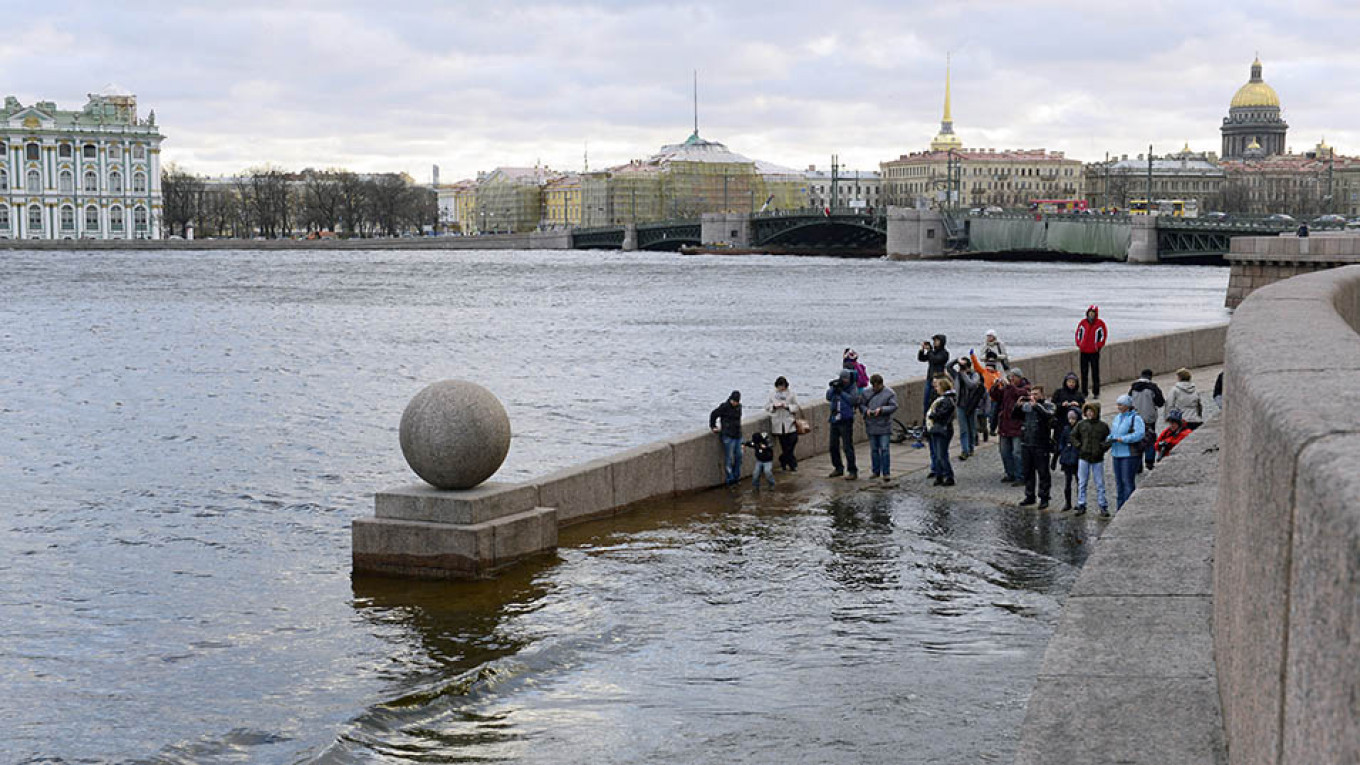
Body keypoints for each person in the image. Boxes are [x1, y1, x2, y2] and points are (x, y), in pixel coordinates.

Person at [1015, 384, 1055, 508]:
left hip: (1041, 444)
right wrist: (1017, 406)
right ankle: (1029, 495)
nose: (1033, 397)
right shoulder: (1027, 406)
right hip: (1027, 442)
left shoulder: (1048, 405)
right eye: (1031, 394)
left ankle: (1044, 497)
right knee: (1028, 472)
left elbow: (1049, 416)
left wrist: (1036, 406)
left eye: (1036, 394)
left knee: (1043, 472)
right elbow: (1015, 417)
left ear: (1042, 395)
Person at [1106, 394, 1147, 511]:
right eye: (1118, 404)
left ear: (1127, 406)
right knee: (1119, 484)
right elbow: (1114, 432)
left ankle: (1129, 508)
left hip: (1129, 454)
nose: (1118, 407)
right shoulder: (1117, 417)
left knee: (1127, 482)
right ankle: (1120, 508)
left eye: (1120, 405)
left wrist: (1123, 439)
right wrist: (1110, 438)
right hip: (1116, 453)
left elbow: (1139, 434)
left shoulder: (1136, 418)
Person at [1071, 402, 1111, 517]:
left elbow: (1108, 440)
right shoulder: (1081, 424)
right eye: (1088, 411)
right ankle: (1081, 504)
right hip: (1084, 457)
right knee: (1082, 482)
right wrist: (1079, 446)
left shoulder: (1102, 426)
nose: (1089, 413)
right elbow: (1073, 436)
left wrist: (1102, 448)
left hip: (1097, 458)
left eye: (1092, 411)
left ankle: (1102, 505)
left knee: (1099, 483)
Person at [990, 367, 1030, 484]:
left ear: (1019, 377)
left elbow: (1018, 394)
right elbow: (996, 396)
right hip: (1004, 425)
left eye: (1014, 377)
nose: (1011, 379)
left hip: (1017, 425)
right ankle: (1010, 473)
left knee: (1017, 452)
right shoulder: (1007, 388)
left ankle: (1020, 475)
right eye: (1010, 377)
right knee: (1004, 451)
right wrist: (996, 386)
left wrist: (1009, 385)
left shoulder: (1025, 388)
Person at [826, 369, 862, 480]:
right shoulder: (837, 385)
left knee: (847, 446)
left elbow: (853, 401)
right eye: (843, 378)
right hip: (834, 419)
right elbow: (828, 397)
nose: (844, 381)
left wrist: (841, 392)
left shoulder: (853, 388)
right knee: (833, 446)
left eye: (846, 378)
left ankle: (852, 470)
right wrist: (833, 387)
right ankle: (838, 468)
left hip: (846, 420)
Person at [1128, 369, 1166, 471]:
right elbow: (1160, 402)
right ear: (1150, 377)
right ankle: (1149, 461)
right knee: (1150, 439)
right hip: (1149, 418)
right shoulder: (1153, 388)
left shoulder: (1133, 388)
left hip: (1135, 418)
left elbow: (1128, 401)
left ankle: (1138, 464)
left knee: (1137, 439)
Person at [864, 373, 898, 480]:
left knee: (884, 449)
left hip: (884, 425)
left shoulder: (890, 393)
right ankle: (876, 471)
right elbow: (861, 405)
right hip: (871, 424)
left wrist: (882, 410)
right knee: (874, 449)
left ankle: (886, 472)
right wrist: (866, 411)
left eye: (877, 386)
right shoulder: (866, 393)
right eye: (873, 386)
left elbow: (894, 406)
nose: (875, 388)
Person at [765, 376, 802, 471]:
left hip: (789, 421)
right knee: (784, 445)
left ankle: (783, 459)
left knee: (793, 440)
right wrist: (774, 406)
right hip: (778, 422)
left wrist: (787, 407)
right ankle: (791, 464)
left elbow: (796, 406)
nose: (781, 388)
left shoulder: (791, 394)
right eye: (779, 386)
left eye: (783, 386)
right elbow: (767, 407)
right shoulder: (772, 394)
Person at [925, 376, 957, 486]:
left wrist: (933, 415)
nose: (936, 388)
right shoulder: (945, 399)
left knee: (941, 455)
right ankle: (940, 476)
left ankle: (948, 476)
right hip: (939, 429)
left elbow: (940, 414)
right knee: (939, 455)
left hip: (943, 429)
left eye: (938, 386)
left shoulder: (946, 401)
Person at [952, 358, 984, 460]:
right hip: (960, 405)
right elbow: (948, 367)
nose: (961, 368)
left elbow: (971, 384)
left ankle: (971, 448)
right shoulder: (957, 375)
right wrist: (956, 361)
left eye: (964, 366)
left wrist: (964, 374)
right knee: (963, 430)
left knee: (971, 428)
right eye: (960, 366)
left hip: (971, 406)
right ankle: (964, 451)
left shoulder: (975, 375)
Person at [709, 391, 743, 486]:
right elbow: (714, 414)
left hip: (738, 435)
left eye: (736, 401)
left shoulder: (739, 407)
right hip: (728, 435)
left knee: (739, 456)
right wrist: (713, 426)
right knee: (729, 458)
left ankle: (736, 476)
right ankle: (730, 479)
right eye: (734, 401)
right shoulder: (724, 407)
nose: (735, 403)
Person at [1052, 408, 1081, 511]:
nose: (1071, 421)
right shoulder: (1066, 429)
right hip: (1067, 458)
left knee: (1079, 482)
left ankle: (1080, 502)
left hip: (1076, 459)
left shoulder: (1080, 429)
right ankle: (1068, 502)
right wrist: (1061, 451)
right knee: (1067, 483)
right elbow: (1061, 442)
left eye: (1073, 418)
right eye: (1070, 418)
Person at [1075, 305, 1108, 397]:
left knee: (1095, 372)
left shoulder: (1100, 323)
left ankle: (1096, 392)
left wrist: (1098, 346)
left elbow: (1103, 336)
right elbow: (1078, 333)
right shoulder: (1083, 323)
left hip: (1094, 352)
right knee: (1084, 373)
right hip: (1084, 351)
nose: (1091, 314)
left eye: (1093, 313)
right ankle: (1084, 392)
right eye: (1090, 313)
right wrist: (1079, 344)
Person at [918, 334, 949, 415]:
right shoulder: (933, 352)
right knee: (926, 402)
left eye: (937, 341)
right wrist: (922, 350)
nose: (935, 342)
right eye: (934, 341)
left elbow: (935, 360)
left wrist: (929, 350)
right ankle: (925, 423)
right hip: (930, 379)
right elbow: (921, 358)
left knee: (936, 402)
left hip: (939, 381)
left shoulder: (944, 353)